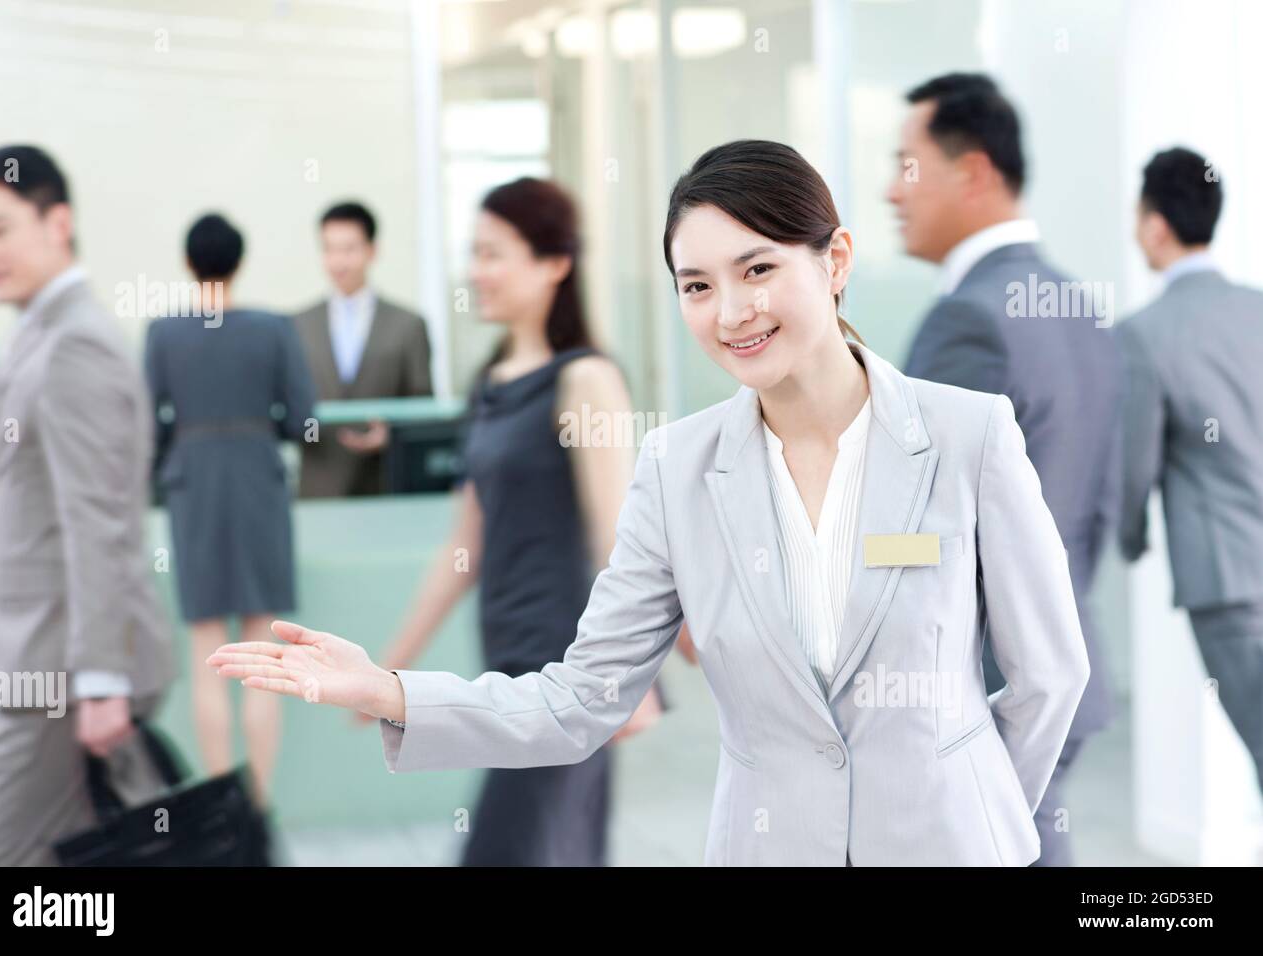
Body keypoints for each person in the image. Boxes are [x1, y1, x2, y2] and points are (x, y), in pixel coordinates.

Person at [208, 140, 1090, 867]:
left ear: (836, 261)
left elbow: (1050, 676)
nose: (731, 311)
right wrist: (390, 689)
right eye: (697, 285)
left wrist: (974, 820)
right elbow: (577, 699)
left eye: (757, 269)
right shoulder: (678, 467)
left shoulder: (967, 436)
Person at [357, 177, 665, 865]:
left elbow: (618, 536)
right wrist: (390, 667)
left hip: (568, 668)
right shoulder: (491, 381)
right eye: (474, 253)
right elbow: (463, 546)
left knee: (517, 848)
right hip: (509, 660)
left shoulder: (584, 379)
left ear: (555, 263)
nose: (477, 272)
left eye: (495, 253)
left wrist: (633, 674)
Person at [889, 72, 1122, 866]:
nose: (892, 190)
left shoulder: (969, 319)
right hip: (1062, 667)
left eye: (907, 165)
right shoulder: (1079, 305)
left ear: (975, 172)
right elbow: (1098, 504)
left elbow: (929, 536)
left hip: (985, 689)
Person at [0, 145, 174, 865]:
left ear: (59, 223)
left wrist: (103, 680)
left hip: (61, 675)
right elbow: (42, 518)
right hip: (41, 654)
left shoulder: (76, 344)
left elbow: (100, 524)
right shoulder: (40, 334)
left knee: (2, 864)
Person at [145, 213, 315, 806]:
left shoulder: (163, 334)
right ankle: (259, 806)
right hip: (258, 486)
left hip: (193, 488)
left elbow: (149, 425)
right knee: (263, 654)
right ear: (238, 262)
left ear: (189, 264)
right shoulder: (274, 329)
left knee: (207, 651)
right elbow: (300, 418)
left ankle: (223, 811)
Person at [1118, 147, 1263, 792]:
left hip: (1229, 583)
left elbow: (1135, 463)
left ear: (1154, 226)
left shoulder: (1144, 334)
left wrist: (1126, 537)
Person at [293, 201, 432, 498]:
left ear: (372, 251)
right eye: (329, 249)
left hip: (384, 483)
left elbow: (424, 407)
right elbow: (288, 401)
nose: (338, 261)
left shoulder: (408, 325)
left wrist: (391, 436)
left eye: (349, 249)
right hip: (319, 486)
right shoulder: (298, 325)